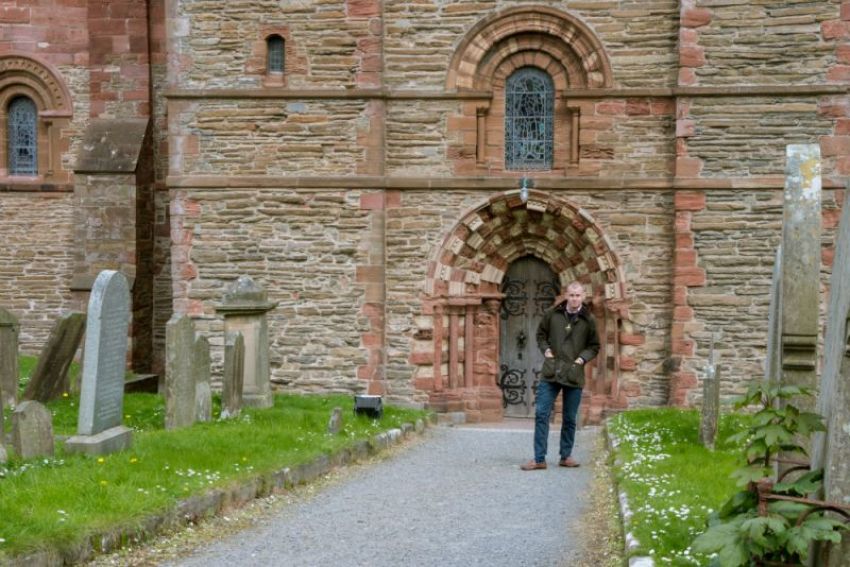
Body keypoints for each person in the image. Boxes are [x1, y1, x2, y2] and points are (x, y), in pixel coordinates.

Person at [520, 281, 600, 470]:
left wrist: (581, 359)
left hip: (573, 373)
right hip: (552, 372)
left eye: (578, 295)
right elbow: (541, 335)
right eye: (571, 295)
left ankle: (566, 456)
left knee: (570, 418)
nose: (574, 299)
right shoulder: (552, 314)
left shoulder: (589, 319)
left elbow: (594, 346)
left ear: (583, 296)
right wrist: (547, 351)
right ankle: (539, 459)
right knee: (541, 413)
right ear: (566, 296)